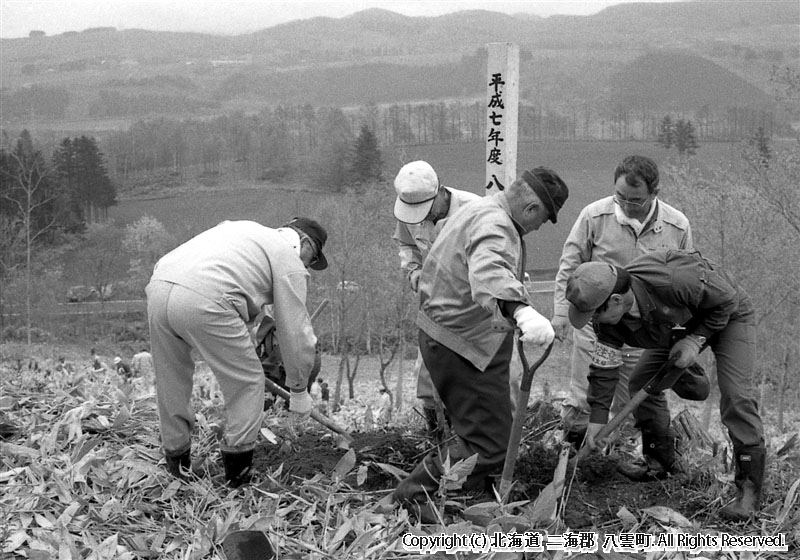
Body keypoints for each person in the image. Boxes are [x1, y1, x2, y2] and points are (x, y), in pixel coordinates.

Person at [392, 166, 569, 521]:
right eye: (542, 220)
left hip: (450, 333)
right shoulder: (497, 225)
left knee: (482, 429)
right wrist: (521, 310)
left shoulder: (477, 208)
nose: (536, 229)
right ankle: (413, 496)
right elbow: (489, 269)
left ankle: (467, 487)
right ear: (533, 209)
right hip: (462, 344)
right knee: (491, 444)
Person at [565, 249, 765, 521]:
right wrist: (598, 419)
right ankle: (659, 463)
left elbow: (726, 299)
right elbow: (604, 368)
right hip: (674, 328)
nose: (592, 321)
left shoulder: (673, 280)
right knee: (640, 384)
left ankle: (749, 490)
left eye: (593, 315)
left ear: (614, 300)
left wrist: (696, 340)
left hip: (728, 317)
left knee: (736, 395)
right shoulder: (608, 322)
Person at [146, 217, 327, 487]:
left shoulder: (242, 231)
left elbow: (248, 304)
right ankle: (237, 476)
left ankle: (177, 466)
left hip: (160, 285)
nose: (308, 266)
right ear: (304, 243)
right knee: (248, 383)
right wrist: (299, 390)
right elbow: (295, 331)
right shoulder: (289, 261)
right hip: (207, 297)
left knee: (171, 377)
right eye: (312, 258)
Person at [552, 155, 693, 446]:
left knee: (636, 398)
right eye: (621, 197)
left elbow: (686, 282)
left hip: (645, 331)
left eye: (636, 200)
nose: (627, 206)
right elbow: (570, 265)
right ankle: (573, 455)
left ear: (655, 193)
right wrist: (561, 313)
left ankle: (621, 459)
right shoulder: (594, 216)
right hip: (597, 324)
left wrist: (683, 333)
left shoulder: (676, 226)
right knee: (585, 395)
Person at [392, 160, 481, 436]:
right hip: (432, 305)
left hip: (472, 309)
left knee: (471, 374)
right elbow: (406, 245)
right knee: (429, 373)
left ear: (440, 192)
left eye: (424, 210)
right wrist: (413, 271)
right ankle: (436, 436)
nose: (418, 217)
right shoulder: (407, 213)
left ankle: (471, 438)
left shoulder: (475, 211)